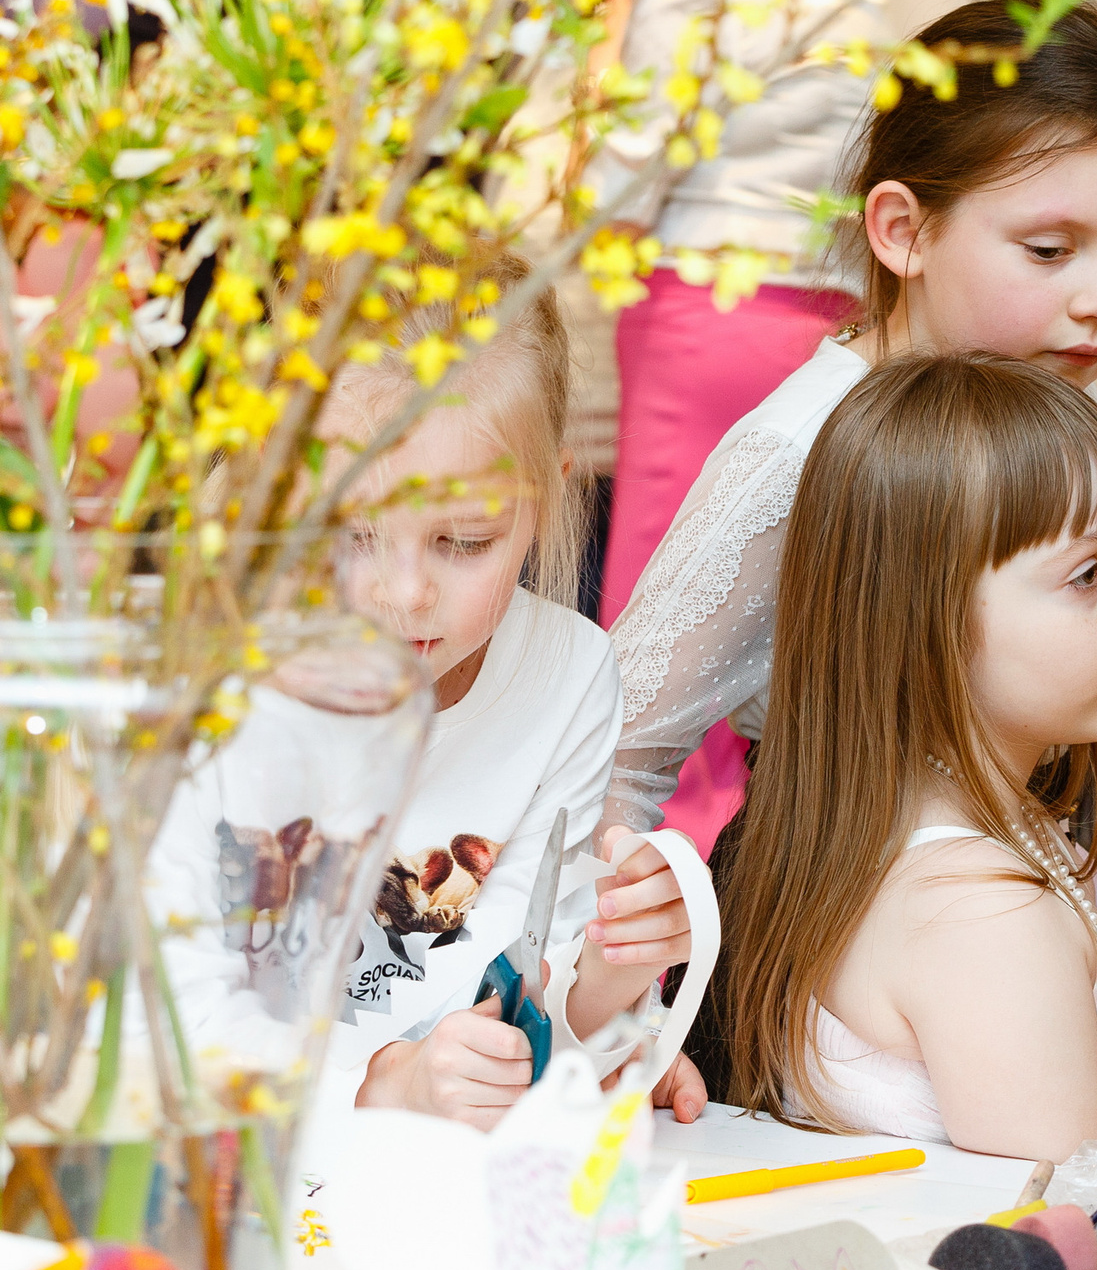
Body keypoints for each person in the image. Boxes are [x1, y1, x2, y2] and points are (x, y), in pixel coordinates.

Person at [604, 0, 1097, 842]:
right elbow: (619, 745)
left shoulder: (1035, 413)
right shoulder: (800, 451)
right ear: (904, 230)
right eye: (1050, 251)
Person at [152, 258, 701, 1135]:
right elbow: (169, 1021)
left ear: (548, 498)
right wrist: (377, 1086)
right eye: (351, 534)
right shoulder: (213, 683)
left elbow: (516, 984)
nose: (403, 595)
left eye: (462, 539)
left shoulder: (568, 676)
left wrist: (609, 992)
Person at [712, 354, 1097, 1159]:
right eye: (1088, 573)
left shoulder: (875, 831)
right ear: (930, 621)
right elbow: (1081, 1242)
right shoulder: (982, 918)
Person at [587, 0, 882, 634]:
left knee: (661, 599)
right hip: (818, 318)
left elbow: (613, 192)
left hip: (697, 312)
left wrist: (612, 24)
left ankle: (659, 786)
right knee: (759, 608)